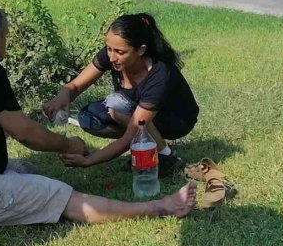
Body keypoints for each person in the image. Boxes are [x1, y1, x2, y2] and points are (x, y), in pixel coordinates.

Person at [0, 5, 197, 231]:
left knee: (27, 171)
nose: (112, 56)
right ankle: (160, 207)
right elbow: (25, 133)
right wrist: (68, 145)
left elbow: (134, 129)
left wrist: (87, 154)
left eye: (119, 51)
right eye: (6, 40)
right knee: (65, 197)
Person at [43, 13, 200, 178]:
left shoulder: (159, 73)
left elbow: (130, 134)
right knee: (89, 117)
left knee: (116, 107)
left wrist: (89, 160)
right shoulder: (113, 55)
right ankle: (146, 146)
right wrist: (62, 96)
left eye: (119, 52)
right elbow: (75, 85)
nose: (111, 57)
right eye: (109, 48)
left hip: (176, 119)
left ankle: (166, 157)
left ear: (141, 50)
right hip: (140, 112)